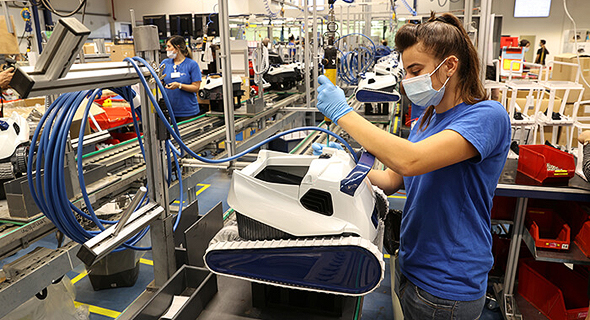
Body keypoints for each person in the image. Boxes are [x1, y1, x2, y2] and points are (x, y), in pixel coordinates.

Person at [315, 12, 511, 319]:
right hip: (411, 266)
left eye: (415, 70)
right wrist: (346, 167)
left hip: (447, 284)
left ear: (450, 66)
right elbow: (395, 178)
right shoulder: (427, 119)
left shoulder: (487, 116)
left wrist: (343, 113)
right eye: (406, 71)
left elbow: (410, 161)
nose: (407, 81)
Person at [161, 35, 203, 122]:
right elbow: (159, 82)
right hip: (170, 111)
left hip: (188, 112)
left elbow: (196, 87)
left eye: (169, 46)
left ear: (177, 47)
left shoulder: (192, 64)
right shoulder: (165, 63)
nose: (166, 49)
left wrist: (179, 85)